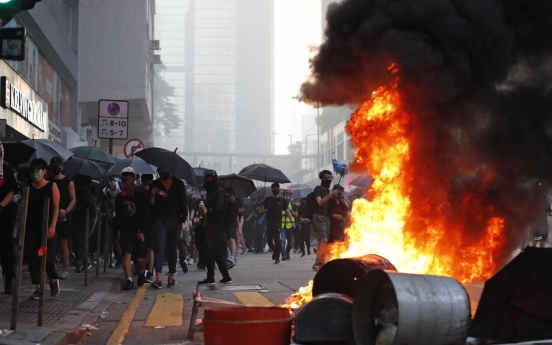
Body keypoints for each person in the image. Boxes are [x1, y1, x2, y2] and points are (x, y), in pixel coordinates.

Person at [15, 159, 60, 299]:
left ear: (44, 171)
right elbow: (21, 206)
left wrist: (52, 226)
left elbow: (56, 207)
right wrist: (16, 222)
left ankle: (53, 279)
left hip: (46, 227)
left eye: (38, 171)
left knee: (47, 257)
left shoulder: (52, 186)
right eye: (33, 171)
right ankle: (38, 288)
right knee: (33, 258)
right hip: (30, 227)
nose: (35, 174)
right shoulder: (28, 188)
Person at [148, 168, 188, 288]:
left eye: (163, 171)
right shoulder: (155, 184)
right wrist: (153, 194)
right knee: (159, 246)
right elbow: (150, 203)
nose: (161, 173)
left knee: (172, 248)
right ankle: (158, 277)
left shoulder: (179, 184)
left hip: (175, 220)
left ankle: (171, 276)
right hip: (159, 220)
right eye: (159, 171)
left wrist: (184, 222)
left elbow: (183, 202)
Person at [113, 168, 150, 290]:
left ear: (133, 179)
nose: (125, 181)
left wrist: (143, 230)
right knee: (126, 254)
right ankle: (129, 279)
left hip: (138, 230)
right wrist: (116, 232)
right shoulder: (119, 197)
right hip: (125, 230)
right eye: (123, 178)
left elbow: (146, 214)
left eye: (128, 178)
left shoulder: (140, 195)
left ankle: (141, 272)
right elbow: (118, 215)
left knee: (140, 258)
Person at [198, 170, 232, 285]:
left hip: (218, 226)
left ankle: (210, 278)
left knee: (211, 252)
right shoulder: (210, 193)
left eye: (210, 178)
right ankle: (226, 277)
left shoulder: (219, 192)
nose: (208, 180)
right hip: (211, 226)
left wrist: (210, 210)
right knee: (216, 254)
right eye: (206, 178)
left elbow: (220, 207)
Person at [48, 157, 76, 280]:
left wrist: (66, 211)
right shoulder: (48, 182)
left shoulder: (68, 182)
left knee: (63, 243)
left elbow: (73, 199)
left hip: (63, 216)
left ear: (62, 167)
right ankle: (51, 268)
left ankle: (65, 269)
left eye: (57, 165)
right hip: (50, 215)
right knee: (50, 243)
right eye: (53, 165)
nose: (56, 167)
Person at [0, 145, 19, 294]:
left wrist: (1, 206)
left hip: (3, 215)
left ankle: (9, 280)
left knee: (6, 249)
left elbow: (12, 191)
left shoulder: (5, 168)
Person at [261, 183, 293, 264]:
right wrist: (261, 203)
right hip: (269, 222)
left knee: (277, 240)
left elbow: (287, 211)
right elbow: (262, 210)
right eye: (274, 188)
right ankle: (275, 251)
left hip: (278, 222)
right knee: (269, 240)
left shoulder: (282, 200)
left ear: (279, 189)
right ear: (272, 189)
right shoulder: (268, 200)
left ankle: (277, 257)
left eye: (277, 188)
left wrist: (292, 221)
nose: (275, 190)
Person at [312, 170, 338, 270]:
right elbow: (320, 202)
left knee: (324, 241)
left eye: (330, 177)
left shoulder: (328, 191)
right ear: (322, 178)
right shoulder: (317, 189)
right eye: (327, 176)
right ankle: (318, 263)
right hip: (318, 216)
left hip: (326, 217)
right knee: (324, 239)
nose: (329, 179)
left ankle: (320, 262)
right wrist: (330, 195)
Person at [72, 174, 97, 273]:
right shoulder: (75, 189)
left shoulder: (92, 189)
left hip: (90, 215)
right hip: (78, 215)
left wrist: (87, 191)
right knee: (76, 238)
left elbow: (93, 201)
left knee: (83, 238)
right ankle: (84, 260)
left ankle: (79, 261)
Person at [138, 174, 155, 282]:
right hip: (151, 222)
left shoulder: (139, 192)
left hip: (145, 222)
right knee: (149, 249)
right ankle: (149, 271)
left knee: (145, 248)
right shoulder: (151, 191)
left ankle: (147, 271)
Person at [224, 187, 239, 268]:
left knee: (231, 240)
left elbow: (236, 216)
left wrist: (239, 228)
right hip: (226, 224)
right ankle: (232, 256)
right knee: (228, 241)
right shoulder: (225, 201)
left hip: (231, 224)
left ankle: (232, 257)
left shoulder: (234, 203)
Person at [280, 188, 297, 261]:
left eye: (288, 195)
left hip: (290, 226)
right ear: (283, 195)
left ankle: (287, 252)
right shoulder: (280, 203)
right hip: (282, 226)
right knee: (282, 241)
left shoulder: (293, 204)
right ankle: (284, 254)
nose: (287, 196)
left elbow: (296, 215)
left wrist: (290, 211)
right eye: (285, 195)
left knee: (290, 242)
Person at [193, 189, 207, 269]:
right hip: (199, 227)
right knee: (199, 243)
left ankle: (204, 261)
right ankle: (202, 261)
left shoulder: (210, 202)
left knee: (204, 245)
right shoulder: (197, 202)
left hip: (206, 227)